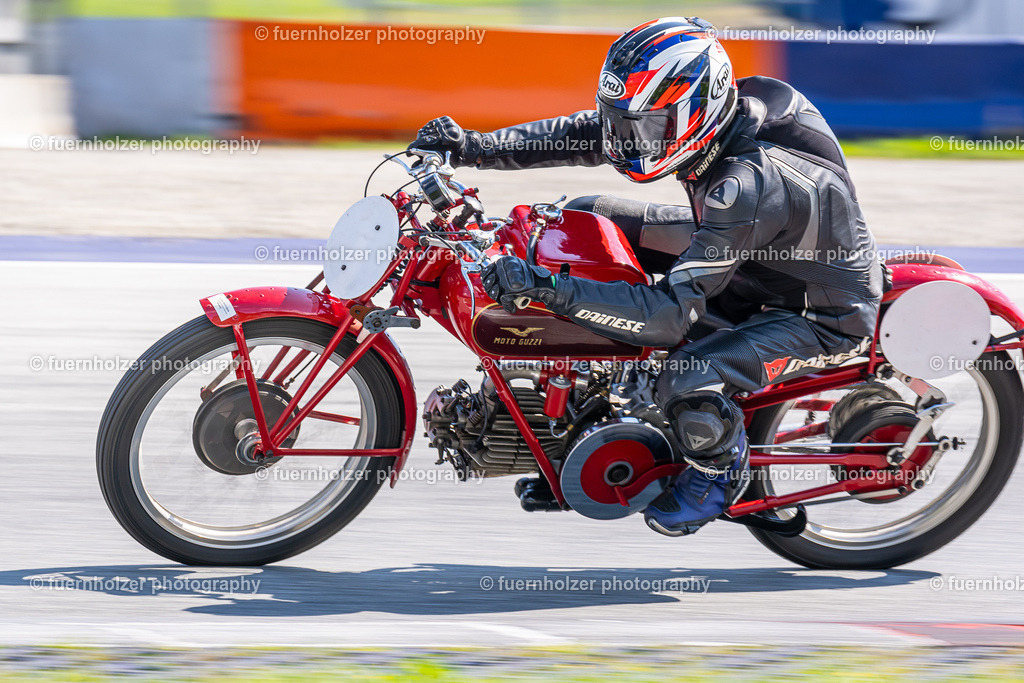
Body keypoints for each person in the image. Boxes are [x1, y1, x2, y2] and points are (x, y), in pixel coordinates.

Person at [409, 16, 886, 537]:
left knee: (680, 375)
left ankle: (720, 471)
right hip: (754, 256)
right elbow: (587, 133)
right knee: (588, 221)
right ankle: (567, 432)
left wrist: (547, 290)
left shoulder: (743, 184)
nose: (626, 142)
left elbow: (664, 318)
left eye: (645, 127)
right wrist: (474, 147)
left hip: (816, 312)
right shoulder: (724, 117)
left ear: (695, 112)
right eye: (623, 122)